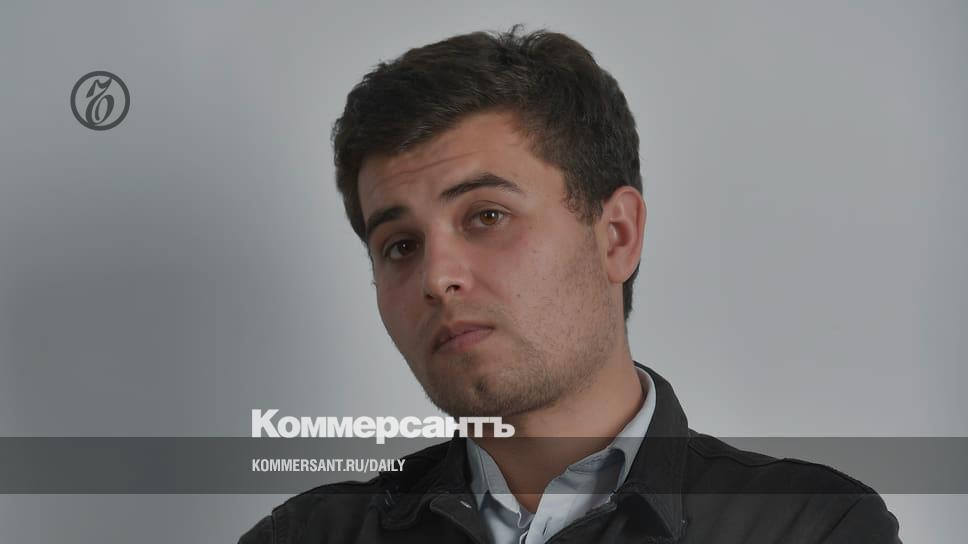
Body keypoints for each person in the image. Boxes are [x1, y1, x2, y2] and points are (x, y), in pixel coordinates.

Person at [240, 26, 901, 543]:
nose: (437, 278)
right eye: (400, 246)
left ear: (616, 236)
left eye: (487, 216)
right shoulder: (305, 537)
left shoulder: (808, 528)